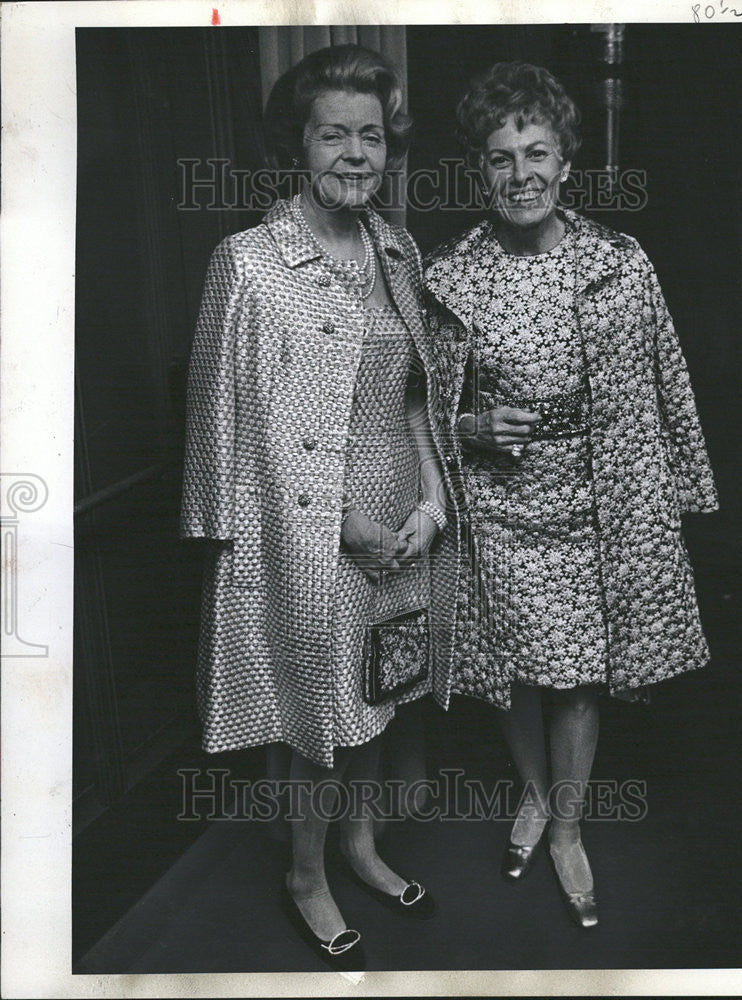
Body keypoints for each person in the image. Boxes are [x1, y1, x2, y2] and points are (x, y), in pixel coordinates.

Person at [180, 44, 460, 970]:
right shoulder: (250, 262)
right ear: (296, 145)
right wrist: (341, 522)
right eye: (333, 133)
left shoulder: (396, 246)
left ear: (390, 148)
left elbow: (416, 392)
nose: (355, 154)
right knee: (318, 713)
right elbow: (226, 419)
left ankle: (361, 845)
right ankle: (306, 873)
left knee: (382, 691)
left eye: (370, 136)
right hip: (307, 530)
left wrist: (431, 499)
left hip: (402, 513)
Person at [424, 61, 718, 929]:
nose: (521, 174)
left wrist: (684, 492)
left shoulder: (621, 265)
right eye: (501, 157)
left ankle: (569, 826)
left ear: (567, 160)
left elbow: (668, 378)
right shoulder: (448, 278)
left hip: (599, 506)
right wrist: (468, 426)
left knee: (581, 676)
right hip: (499, 509)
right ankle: (535, 796)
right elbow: (420, 405)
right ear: (480, 171)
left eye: (536, 151)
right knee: (515, 669)